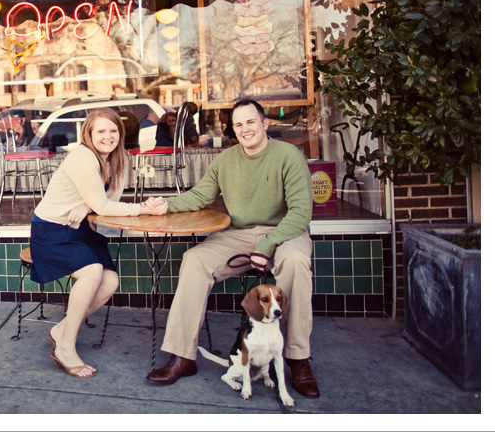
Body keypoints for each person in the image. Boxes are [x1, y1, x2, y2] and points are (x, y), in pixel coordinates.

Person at [142, 98, 319, 398]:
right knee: (195, 260)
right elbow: (200, 195)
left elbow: (301, 212)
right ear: (233, 130)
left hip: (284, 231)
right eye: (239, 124)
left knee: (297, 263)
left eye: (251, 122)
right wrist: (166, 205)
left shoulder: (288, 156)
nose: (245, 129)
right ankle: (182, 356)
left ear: (265, 124)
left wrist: (267, 244)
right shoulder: (226, 160)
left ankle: (297, 358)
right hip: (239, 233)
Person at [28, 108, 168, 378]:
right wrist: (142, 209)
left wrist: (87, 204)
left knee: (110, 282)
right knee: (92, 272)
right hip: (51, 231)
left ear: (120, 133)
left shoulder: (119, 158)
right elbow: (104, 204)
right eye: (100, 131)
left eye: (113, 131)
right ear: (88, 134)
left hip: (78, 229)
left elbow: (111, 197)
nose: (108, 136)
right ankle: (65, 347)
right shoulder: (82, 158)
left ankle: (61, 330)